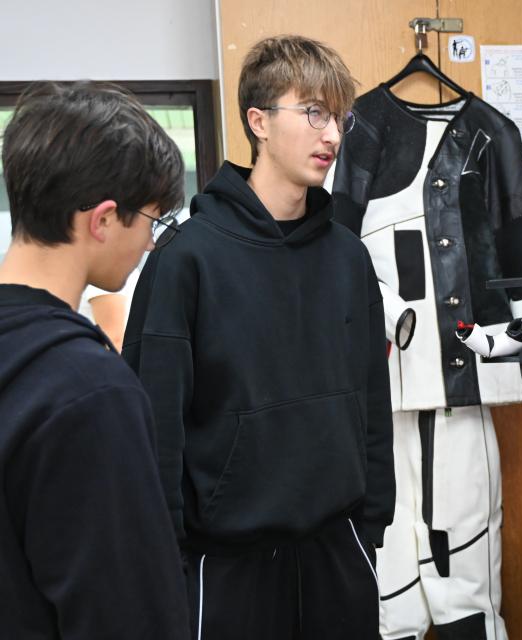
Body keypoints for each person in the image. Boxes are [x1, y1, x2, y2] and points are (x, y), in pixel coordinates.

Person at [122, 35, 394, 640]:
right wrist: (166, 556)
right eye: (314, 112)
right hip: (226, 565)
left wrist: (371, 528)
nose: (332, 135)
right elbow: (155, 425)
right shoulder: (186, 259)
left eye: (340, 118)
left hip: (339, 553)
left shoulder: (348, 257)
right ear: (259, 121)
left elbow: (372, 401)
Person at [0, 81, 189, 638]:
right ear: (103, 220)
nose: (150, 244)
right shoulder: (90, 391)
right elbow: (127, 613)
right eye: (152, 222)